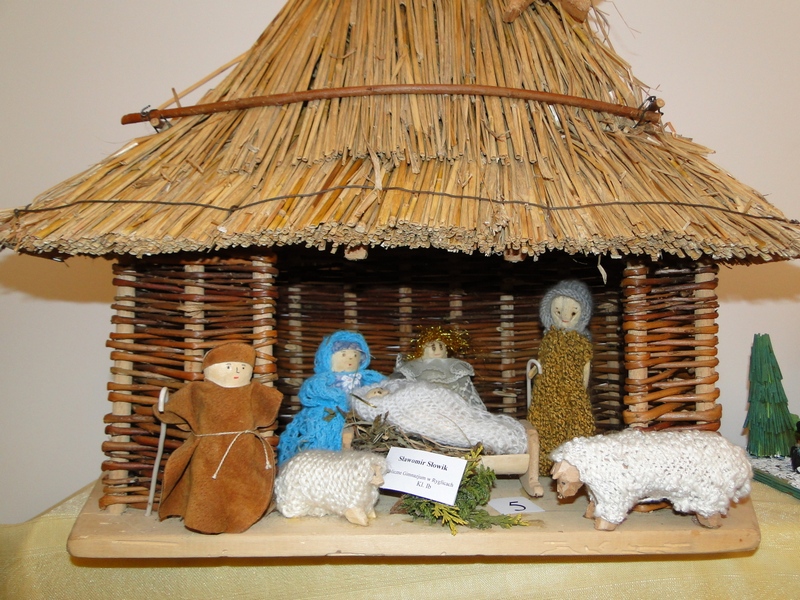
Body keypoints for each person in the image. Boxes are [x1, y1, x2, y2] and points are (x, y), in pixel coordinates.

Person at [156, 342, 283, 534]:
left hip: (244, 448)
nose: (237, 371)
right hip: (209, 451)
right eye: (229, 366)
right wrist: (164, 408)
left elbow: (268, 406)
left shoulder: (253, 391)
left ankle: (242, 514)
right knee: (207, 487)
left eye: (243, 367)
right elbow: (176, 407)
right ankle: (206, 520)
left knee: (245, 485)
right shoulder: (198, 391)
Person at [277, 330, 384, 465]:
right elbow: (312, 390)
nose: (350, 359)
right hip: (330, 412)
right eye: (343, 354)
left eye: (355, 355)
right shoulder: (324, 379)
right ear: (327, 358)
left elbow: (385, 386)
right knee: (322, 429)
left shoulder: (368, 378)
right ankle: (322, 459)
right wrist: (340, 398)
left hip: (358, 414)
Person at [527, 280, 596, 474]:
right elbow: (542, 360)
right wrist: (532, 373)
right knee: (544, 424)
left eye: (573, 313)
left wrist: (581, 390)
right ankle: (544, 462)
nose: (565, 317)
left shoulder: (581, 344)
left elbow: (585, 368)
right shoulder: (549, 339)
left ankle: (573, 466)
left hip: (572, 392)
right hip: (546, 391)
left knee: (574, 426)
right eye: (558, 311)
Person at [392, 325, 484, 408]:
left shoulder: (454, 366)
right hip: (423, 403)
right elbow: (400, 382)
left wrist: (463, 399)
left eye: (441, 347)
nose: (438, 351)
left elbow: (464, 388)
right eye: (433, 348)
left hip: (451, 404)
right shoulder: (414, 366)